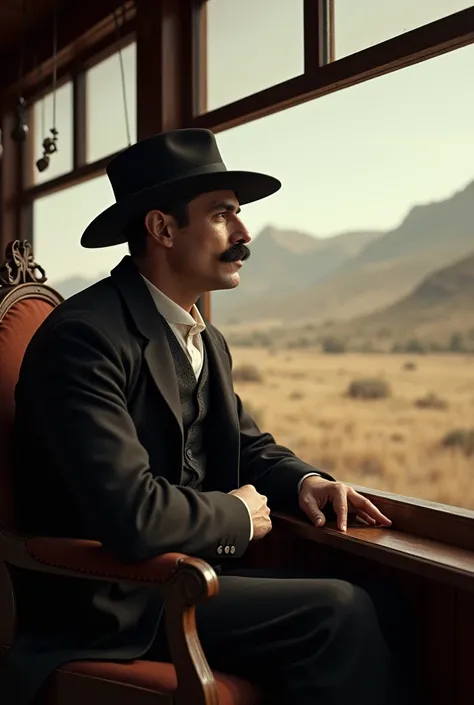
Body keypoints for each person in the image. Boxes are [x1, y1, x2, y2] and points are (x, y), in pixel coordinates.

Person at [5, 129, 405, 705]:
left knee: (386, 598)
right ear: (162, 229)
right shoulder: (84, 338)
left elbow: (244, 442)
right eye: (223, 216)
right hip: (109, 600)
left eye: (238, 215)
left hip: (182, 576)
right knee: (338, 613)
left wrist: (305, 481)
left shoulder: (204, 338)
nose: (244, 234)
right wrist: (237, 516)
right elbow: (131, 516)